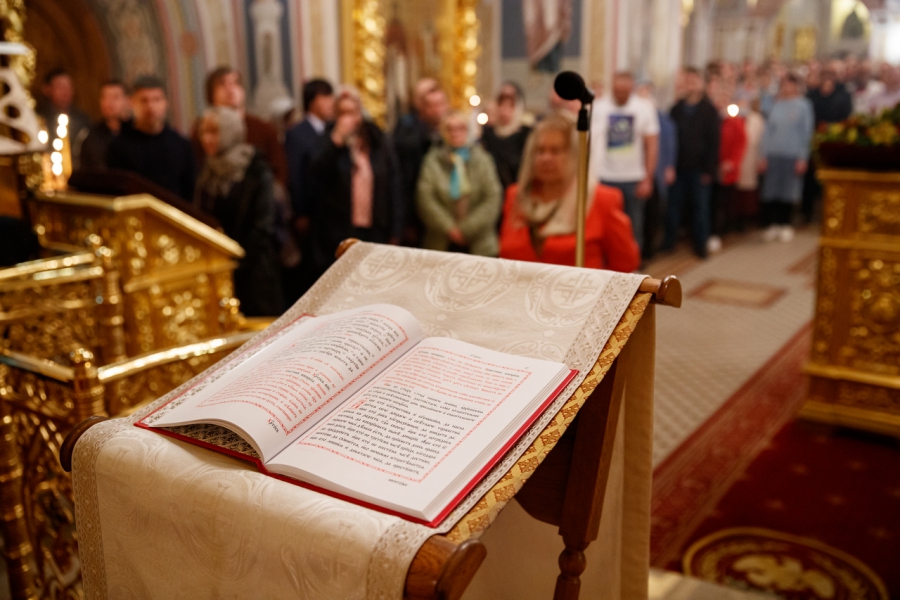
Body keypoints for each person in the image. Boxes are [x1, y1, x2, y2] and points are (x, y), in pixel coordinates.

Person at [499, 115, 639, 272]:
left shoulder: (602, 199)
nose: (546, 158)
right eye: (540, 150)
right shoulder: (515, 196)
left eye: (555, 151)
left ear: (575, 155)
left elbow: (625, 265)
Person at [195, 107, 283, 316]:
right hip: (218, 271)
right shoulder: (208, 170)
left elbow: (262, 227)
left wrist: (235, 261)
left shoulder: (256, 171)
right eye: (204, 132)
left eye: (214, 132)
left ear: (230, 132)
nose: (207, 139)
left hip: (254, 273)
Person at [308, 89, 403, 276]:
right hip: (340, 230)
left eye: (352, 112)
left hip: (376, 226)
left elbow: (394, 185)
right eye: (342, 113)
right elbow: (316, 174)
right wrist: (336, 141)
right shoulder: (327, 140)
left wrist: (396, 229)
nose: (348, 118)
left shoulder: (377, 141)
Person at [590, 71, 659, 254]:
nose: (620, 95)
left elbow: (651, 144)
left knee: (633, 224)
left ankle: (633, 260)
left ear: (631, 89)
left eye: (624, 91)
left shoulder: (644, 108)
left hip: (633, 177)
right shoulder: (599, 107)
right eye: (617, 91)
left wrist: (648, 178)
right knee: (604, 223)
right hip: (604, 176)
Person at [417, 111, 502, 256]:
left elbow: (492, 198)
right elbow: (425, 198)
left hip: (479, 242)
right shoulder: (433, 160)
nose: (455, 133)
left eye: (460, 128)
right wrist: (449, 228)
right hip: (441, 241)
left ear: (468, 130)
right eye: (449, 128)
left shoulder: (483, 160)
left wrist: (467, 229)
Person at [283, 78, 335, 303]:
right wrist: (301, 211)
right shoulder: (298, 133)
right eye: (326, 97)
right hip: (310, 212)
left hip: (329, 212)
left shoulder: (331, 130)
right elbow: (295, 174)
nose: (331, 102)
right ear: (313, 101)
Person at [106, 76, 195, 201]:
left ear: (166, 103)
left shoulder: (181, 145)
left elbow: (190, 192)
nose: (151, 106)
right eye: (144, 100)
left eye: (156, 99)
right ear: (131, 103)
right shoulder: (118, 147)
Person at [197, 67, 288, 187]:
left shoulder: (264, 129)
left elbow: (279, 175)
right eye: (222, 84)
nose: (230, 89)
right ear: (211, 94)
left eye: (235, 83)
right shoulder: (200, 130)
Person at [663, 67, 720, 259]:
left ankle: (700, 243)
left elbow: (714, 142)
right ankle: (669, 241)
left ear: (702, 84)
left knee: (700, 208)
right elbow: (669, 140)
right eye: (688, 81)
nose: (691, 85)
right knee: (673, 206)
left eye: (694, 81)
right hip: (678, 167)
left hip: (700, 168)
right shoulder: (676, 109)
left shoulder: (709, 110)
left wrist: (709, 170)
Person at [758, 74, 814, 243]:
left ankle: (785, 224)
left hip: (792, 154)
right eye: (785, 85)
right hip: (773, 154)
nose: (787, 88)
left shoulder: (804, 105)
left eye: (791, 85)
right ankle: (773, 224)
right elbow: (767, 131)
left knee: (789, 191)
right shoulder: (775, 104)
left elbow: (806, 133)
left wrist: (803, 157)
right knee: (772, 190)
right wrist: (763, 155)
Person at [393, 79, 449, 246]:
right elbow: (405, 179)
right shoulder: (409, 134)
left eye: (441, 104)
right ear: (423, 109)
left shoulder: (452, 132)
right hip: (418, 212)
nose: (438, 110)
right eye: (433, 106)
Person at [804, 68, 852, 223]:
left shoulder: (843, 96)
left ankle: (831, 214)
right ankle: (807, 213)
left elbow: (846, 118)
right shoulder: (811, 96)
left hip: (834, 143)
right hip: (813, 140)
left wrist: (831, 129)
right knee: (810, 179)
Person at [636, 81, 677, 260]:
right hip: (636, 172)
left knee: (653, 213)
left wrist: (669, 166)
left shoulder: (664, 120)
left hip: (656, 173)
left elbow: (669, 144)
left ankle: (649, 248)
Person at [710, 92, 747, 252]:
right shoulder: (712, 119)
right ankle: (711, 231)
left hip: (727, 170)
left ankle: (721, 231)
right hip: (712, 168)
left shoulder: (734, 122)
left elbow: (740, 143)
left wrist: (732, 162)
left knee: (724, 201)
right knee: (712, 201)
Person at [481, 82, 532, 191]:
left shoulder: (525, 134)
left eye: (510, 106)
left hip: (517, 190)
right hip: (493, 191)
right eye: (501, 105)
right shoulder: (488, 134)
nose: (504, 111)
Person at [75, 79, 130, 171]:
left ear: (128, 101)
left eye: (115, 97)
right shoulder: (91, 136)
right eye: (105, 97)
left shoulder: (137, 133)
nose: (110, 103)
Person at [37, 68, 91, 156]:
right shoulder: (39, 119)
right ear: (47, 89)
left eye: (68, 87)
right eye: (60, 87)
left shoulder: (82, 120)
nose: (65, 92)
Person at [735, 98, 765, 231]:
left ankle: (747, 218)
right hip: (736, 158)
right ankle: (736, 218)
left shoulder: (757, 119)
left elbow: (759, 139)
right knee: (736, 190)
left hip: (751, 157)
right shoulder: (734, 117)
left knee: (748, 190)